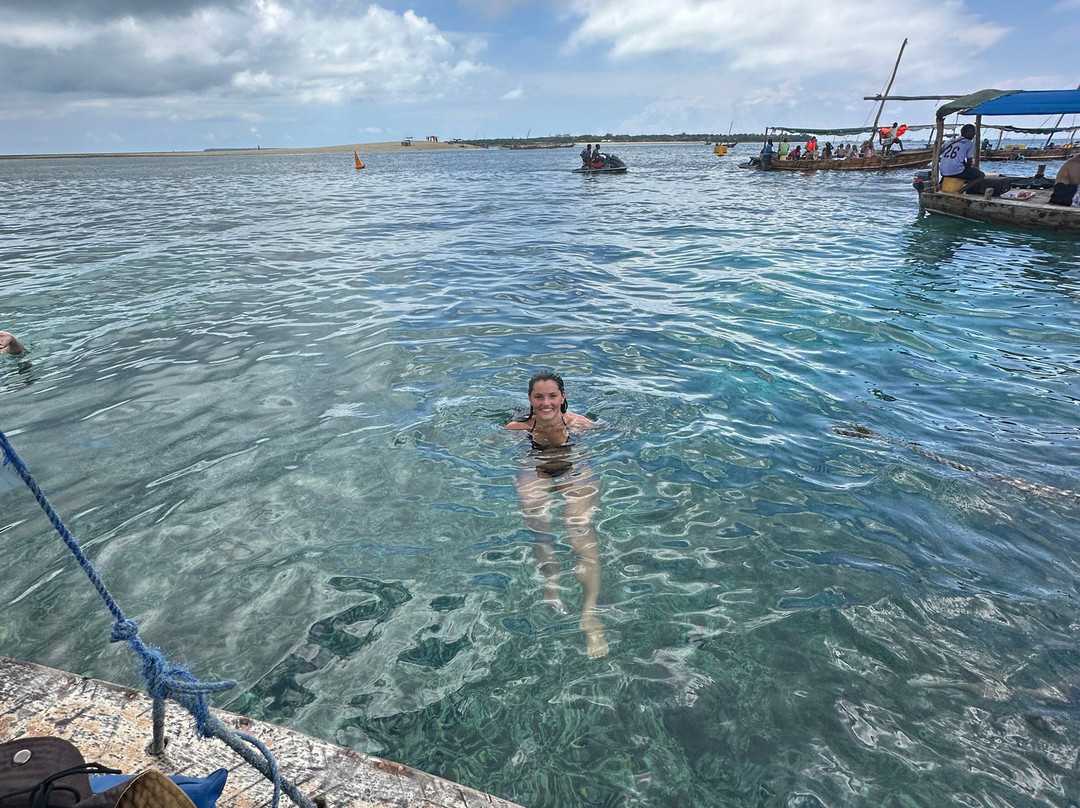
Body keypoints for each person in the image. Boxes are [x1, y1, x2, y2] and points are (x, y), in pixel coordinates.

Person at [506, 370, 608, 658]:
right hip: (535, 464)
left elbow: (615, 432)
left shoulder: (579, 425)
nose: (546, 402)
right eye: (539, 396)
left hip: (573, 464)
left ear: (562, 397)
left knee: (578, 526)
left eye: (552, 395)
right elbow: (486, 445)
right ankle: (552, 588)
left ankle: (590, 615)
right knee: (538, 522)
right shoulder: (518, 429)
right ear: (530, 399)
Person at [938, 124, 984, 190]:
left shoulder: (950, 141)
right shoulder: (969, 143)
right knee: (980, 175)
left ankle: (940, 185)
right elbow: (969, 162)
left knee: (957, 168)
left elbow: (938, 154)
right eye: (972, 132)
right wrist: (970, 170)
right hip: (956, 172)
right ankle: (961, 190)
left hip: (943, 171)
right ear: (965, 132)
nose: (974, 135)